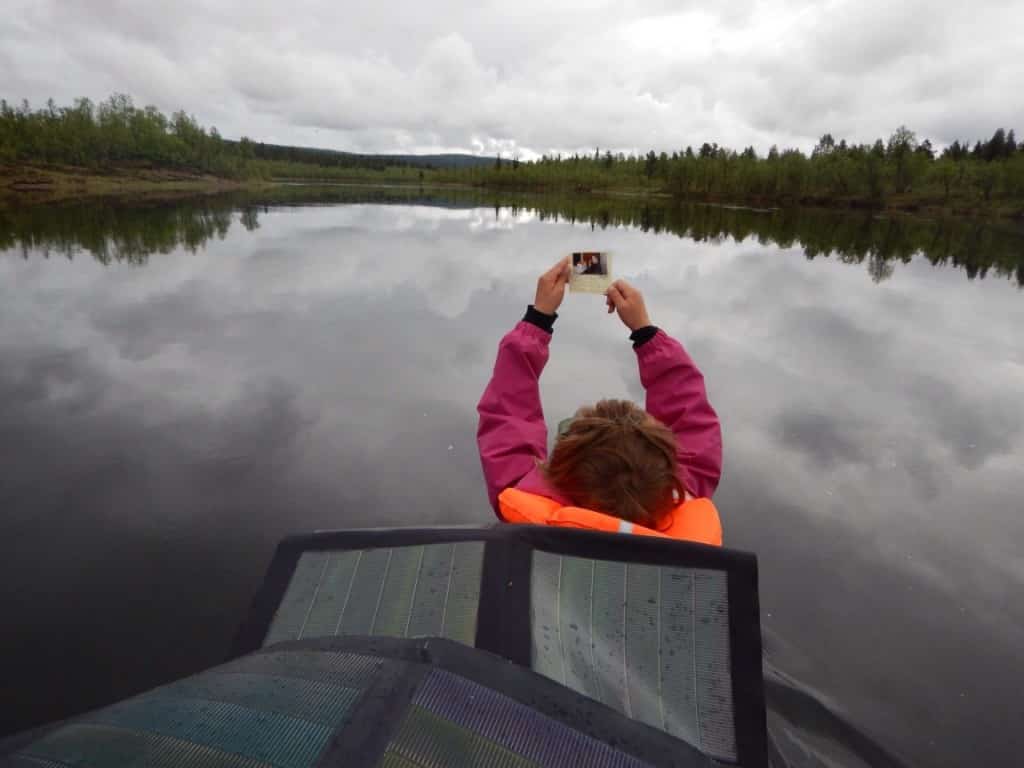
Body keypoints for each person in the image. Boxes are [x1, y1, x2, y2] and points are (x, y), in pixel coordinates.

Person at [476, 257, 723, 545]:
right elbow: (693, 422)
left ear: (557, 475)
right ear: (671, 470)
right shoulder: (686, 505)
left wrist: (538, 319)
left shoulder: (525, 502)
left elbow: (507, 414)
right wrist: (645, 331)